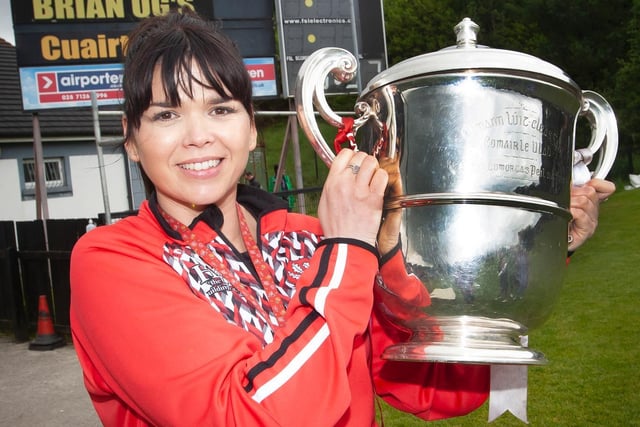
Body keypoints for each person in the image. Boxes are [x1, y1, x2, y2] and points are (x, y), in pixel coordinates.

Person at [69, 8, 615, 427]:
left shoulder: (308, 240)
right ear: (132, 140)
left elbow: (431, 384)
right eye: (166, 115)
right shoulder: (112, 262)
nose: (198, 136)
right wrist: (348, 251)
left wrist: (533, 250)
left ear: (252, 127)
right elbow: (249, 415)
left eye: (220, 108)